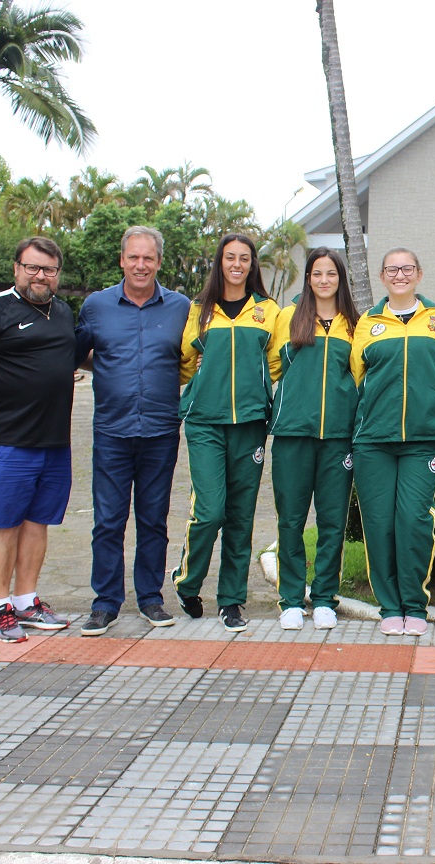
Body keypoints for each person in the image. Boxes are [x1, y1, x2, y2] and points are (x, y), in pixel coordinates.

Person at [0, 237, 75, 642]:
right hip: (5, 443)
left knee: (37, 523)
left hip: (54, 443)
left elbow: (74, 358)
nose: (40, 276)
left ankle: (26, 601)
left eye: (49, 269)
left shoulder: (62, 313)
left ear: (58, 274)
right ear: (16, 268)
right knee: (3, 525)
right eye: (32, 267)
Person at [350, 248, 435, 637]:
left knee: (414, 521)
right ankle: (390, 606)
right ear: (382, 276)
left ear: (418, 274)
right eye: (392, 269)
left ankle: (414, 604)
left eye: (407, 268)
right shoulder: (368, 322)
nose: (400, 275)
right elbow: (356, 376)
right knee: (380, 523)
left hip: (423, 440)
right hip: (373, 440)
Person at [74, 226, 191, 636]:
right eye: (133, 257)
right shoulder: (96, 306)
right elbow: (81, 354)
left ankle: (150, 598)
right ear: (122, 260)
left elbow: (191, 358)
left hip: (161, 429)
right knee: (108, 520)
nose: (141, 265)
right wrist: (109, 371)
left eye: (149, 258)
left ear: (159, 262)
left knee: (153, 518)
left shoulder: (181, 308)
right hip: (112, 430)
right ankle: (105, 603)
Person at [171, 233, 283, 632]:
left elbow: (276, 362)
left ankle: (232, 599)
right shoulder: (198, 309)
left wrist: (251, 385)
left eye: (245, 259)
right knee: (209, 510)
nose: (237, 264)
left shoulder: (268, 310)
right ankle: (187, 581)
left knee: (240, 516)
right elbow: (184, 361)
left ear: (253, 265)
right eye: (230, 257)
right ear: (219, 262)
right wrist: (203, 374)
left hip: (251, 423)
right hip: (205, 422)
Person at [269, 247, 360, 630]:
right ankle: (291, 598)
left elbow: (360, 376)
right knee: (290, 520)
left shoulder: (354, 324)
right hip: (292, 434)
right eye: (317, 273)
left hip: (338, 438)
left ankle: (324, 597)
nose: (324, 280)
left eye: (331, 274)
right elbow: (272, 367)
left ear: (340, 279)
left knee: (332, 521)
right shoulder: (288, 317)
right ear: (308, 278)